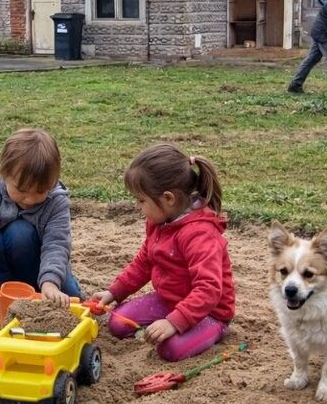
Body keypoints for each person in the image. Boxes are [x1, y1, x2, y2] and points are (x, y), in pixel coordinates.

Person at [88, 143, 236, 362]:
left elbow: (209, 290)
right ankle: (171, 322)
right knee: (118, 323)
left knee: (169, 349)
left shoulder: (200, 235)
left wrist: (173, 322)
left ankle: (215, 331)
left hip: (209, 312)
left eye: (141, 200)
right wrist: (114, 293)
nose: (139, 207)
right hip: (169, 300)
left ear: (168, 199)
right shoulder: (159, 221)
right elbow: (143, 263)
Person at [0, 128, 82, 311]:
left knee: (72, 298)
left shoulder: (56, 201)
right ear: (4, 174)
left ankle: (37, 286)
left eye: (40, 191)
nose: (30, 199)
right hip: (2, 267)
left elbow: (57, 245)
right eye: (22, 190)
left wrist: (50, 282)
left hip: (40, 265)